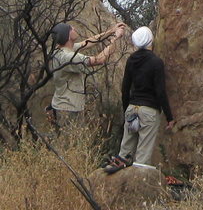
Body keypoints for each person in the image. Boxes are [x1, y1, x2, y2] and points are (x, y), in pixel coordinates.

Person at [104, 26, 174, 172]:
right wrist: (169, 116)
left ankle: (118, 172)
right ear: (151, 40)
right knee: (142, 159)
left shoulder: (131, 60)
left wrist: (126, 110)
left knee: (125, 153)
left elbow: (125, 89)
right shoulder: (156, 62)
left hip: (132, 108)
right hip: (149, 111)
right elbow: (160, 92)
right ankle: (136, 189)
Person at [50, 21, 126, 127]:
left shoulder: (61, 50)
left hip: (64, 105)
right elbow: (99, 60)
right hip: (68, 108)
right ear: (67, 37)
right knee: (70, 141)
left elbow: (87, 42)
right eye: (70, 29)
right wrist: (114, 40)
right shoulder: (68, 57)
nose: (74, 28)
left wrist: (111, 31)